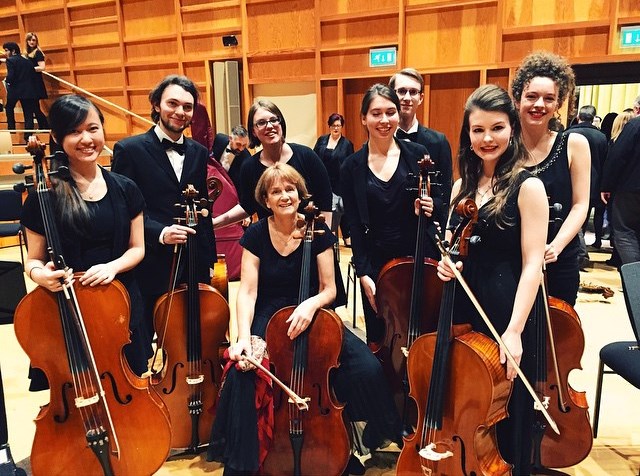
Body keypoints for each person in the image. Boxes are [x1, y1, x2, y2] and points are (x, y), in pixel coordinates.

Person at [207, 163, 402, 475]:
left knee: (366, 368)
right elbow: (247, 292)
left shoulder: (318, 230)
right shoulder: (256, 234)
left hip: (314, 313)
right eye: (276, 191)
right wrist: (244, 337)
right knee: (246, 372)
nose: (285, 196)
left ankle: (347, 436)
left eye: (290, 189)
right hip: (270, 315)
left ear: (300, 194)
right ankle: (255, 456)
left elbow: (329, 289)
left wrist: (310, 305)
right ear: (265, 200)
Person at [436, 84, 548, 475]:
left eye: (497, 128)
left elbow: (533, 264)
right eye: (478, 129)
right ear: (467, 134)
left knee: (507, 407)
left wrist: (514, 331)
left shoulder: (528, 187)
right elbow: (452, 249)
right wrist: (446, 265)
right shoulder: (461, 187)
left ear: (512, 129)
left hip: (506, 309)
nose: (487, 138)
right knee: (468, 401)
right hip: (464, 309)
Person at [21, 94, 149, 378]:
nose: (86, 139)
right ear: (57, 137)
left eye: (92, 128)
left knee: (131, 387)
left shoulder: (126, 188)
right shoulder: (44, 195)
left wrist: (113, 267)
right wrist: (42, 276)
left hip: (122, 307)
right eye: (74, 131)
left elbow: (137, 248)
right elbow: (33, 261)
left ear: (102, 129)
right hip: (67, 311)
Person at [111, 74, 216, 348]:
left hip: (192, 260)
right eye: (173, 103)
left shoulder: (198, 152)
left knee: (191, 338)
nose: (180, 112)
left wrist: (208, 259)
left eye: (188, 107)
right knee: (144, 338)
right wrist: (161, 232)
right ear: (157, 104)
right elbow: (123, 210)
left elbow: (202, 207)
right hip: (150, 260)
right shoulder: (129, 150)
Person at [340, 83, 442, 344]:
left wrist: (430, 205)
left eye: (390, 112)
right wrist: (363, 273)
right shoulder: (351, 167)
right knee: (380, 336)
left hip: (417, 257)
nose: (384, 120)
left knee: (423, 332)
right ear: (363, 118)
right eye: (376, 113)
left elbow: (440, 202)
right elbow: (353, 224)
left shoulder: (418, 155)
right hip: (376, 264)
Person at [511, 51, 591, 306]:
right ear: (517, 99)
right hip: (511, 258)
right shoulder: (505, 146)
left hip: (559, 258)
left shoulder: (574, 144)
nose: (539, 105)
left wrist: (556, 245)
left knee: (557, 326)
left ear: (558, 103)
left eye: (549, 98)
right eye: (531, 96)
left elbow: (580, 204)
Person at [389, 67, 452, 227]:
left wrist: (434, 209)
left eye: (413, 92)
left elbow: (445, 194)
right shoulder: (380, 142)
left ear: (421, 97)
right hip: (389, 229)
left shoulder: (438, 142)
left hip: (425, 228)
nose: (407, 97)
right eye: (401, 91)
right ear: (391, 95)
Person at [565, 105, 607, 256]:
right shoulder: (601, 137)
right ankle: (598, 240)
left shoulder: (568, 134)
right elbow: (605, 162)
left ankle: (578, 248)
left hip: (572, 181)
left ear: (578, 117)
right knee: (597, 213)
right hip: (596, 181)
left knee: (576, 213)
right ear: (594, 118)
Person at [601, 107, 640, 266]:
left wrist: (606, 185)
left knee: (624, 233)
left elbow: (618, 156)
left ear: (637, 108)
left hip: (630, 188)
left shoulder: (635, 125)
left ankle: (635, 280)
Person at [313, 113, 354, 246]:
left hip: (339, 182)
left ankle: (346, 236)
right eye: (333, 126)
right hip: (323, 180)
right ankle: (324, 237)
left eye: (338, 126)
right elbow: (314, 157)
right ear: (329, 126)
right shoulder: (322, 140)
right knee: (323, 209)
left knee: (340, 210)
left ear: (342, 127)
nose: (336, 128)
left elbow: (350, 164)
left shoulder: (347, 144)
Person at [2, 42, 36, 143]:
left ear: (13, 51)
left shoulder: (10, 60)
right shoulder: (28, 61)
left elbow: (11, 76)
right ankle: (28, 136)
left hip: (15, 90)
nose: (5, 53)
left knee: (9, 107)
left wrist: (7, 81)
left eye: (6, 50)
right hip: (28, 90)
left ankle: (12, 129)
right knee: (28, 113)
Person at [211, 125, 251, 191]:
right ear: (230, 138)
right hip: (212, 183)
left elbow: (242, 185)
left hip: (230, 190)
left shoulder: (246, 157)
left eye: (244, 145)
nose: (241, 149)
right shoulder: (219, 139)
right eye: (238, 144)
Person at [24, 32, 49, 130]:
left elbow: (42, 67)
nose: (31, 42)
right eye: (29, 40)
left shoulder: (37, 52)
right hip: (29, 83)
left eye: (33, 40)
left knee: (35, 107)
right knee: (34, 107)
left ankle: (45, 126)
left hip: (35, 83)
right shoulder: (26, 54)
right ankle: (43, 127)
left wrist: (29, 69)